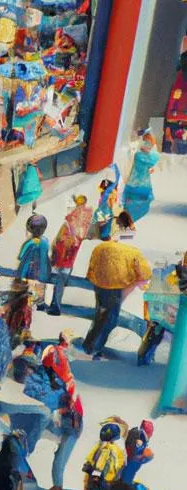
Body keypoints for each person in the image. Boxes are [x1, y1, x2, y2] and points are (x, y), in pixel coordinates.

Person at [83, 221, 151, 359]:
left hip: (99, 286)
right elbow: (145, 274)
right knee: (110, 320)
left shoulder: (100, 247)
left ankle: (89, 344)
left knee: (100, 315)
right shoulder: (133, 252)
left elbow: (91, 267)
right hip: (115, 288)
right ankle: (95, 347)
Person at [40, 331, 84, 490]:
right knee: (60, 455)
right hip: (66, 419)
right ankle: (57, 486)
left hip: (71, 422)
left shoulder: (64, 380)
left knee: (61, 456)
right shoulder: (58, 365)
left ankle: (57, 487)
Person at [49, 195, 94, 315]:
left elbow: (58, 239)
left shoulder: (70, 222)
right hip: (69, 258)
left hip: (62, 257)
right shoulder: (85, 221)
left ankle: (55, 305)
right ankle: (55, 304)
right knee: (61, 280)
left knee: (58, 280)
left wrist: (55, 247)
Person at [82, 419, 127, 490]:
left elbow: (93, 458)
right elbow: (100, 463)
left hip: (102, 475)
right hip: (104, 476)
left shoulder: (102, 446)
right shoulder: (109, 448)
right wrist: (96, 475)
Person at [123, 129, 160, 223]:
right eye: (146, 142)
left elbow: (153, 165)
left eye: (150, 144)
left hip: (139, 183)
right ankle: (128, 219)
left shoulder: (146, 155)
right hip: (135, 183)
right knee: (131, 202)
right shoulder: (139, 155)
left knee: (135, 202)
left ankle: (129, 219)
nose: (148, 146)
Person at [17, 213, 51, 284]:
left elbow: (21, 257)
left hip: (30, 275)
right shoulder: (46, 241)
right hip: (43, 276)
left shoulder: (30, 243)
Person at [120, 421, 155, 485]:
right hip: (130, 466)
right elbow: (134, 456)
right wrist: (145, 457)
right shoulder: (140, 440)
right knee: (126, 480)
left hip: (129, 465)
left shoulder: (139, 436)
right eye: (150, 433)